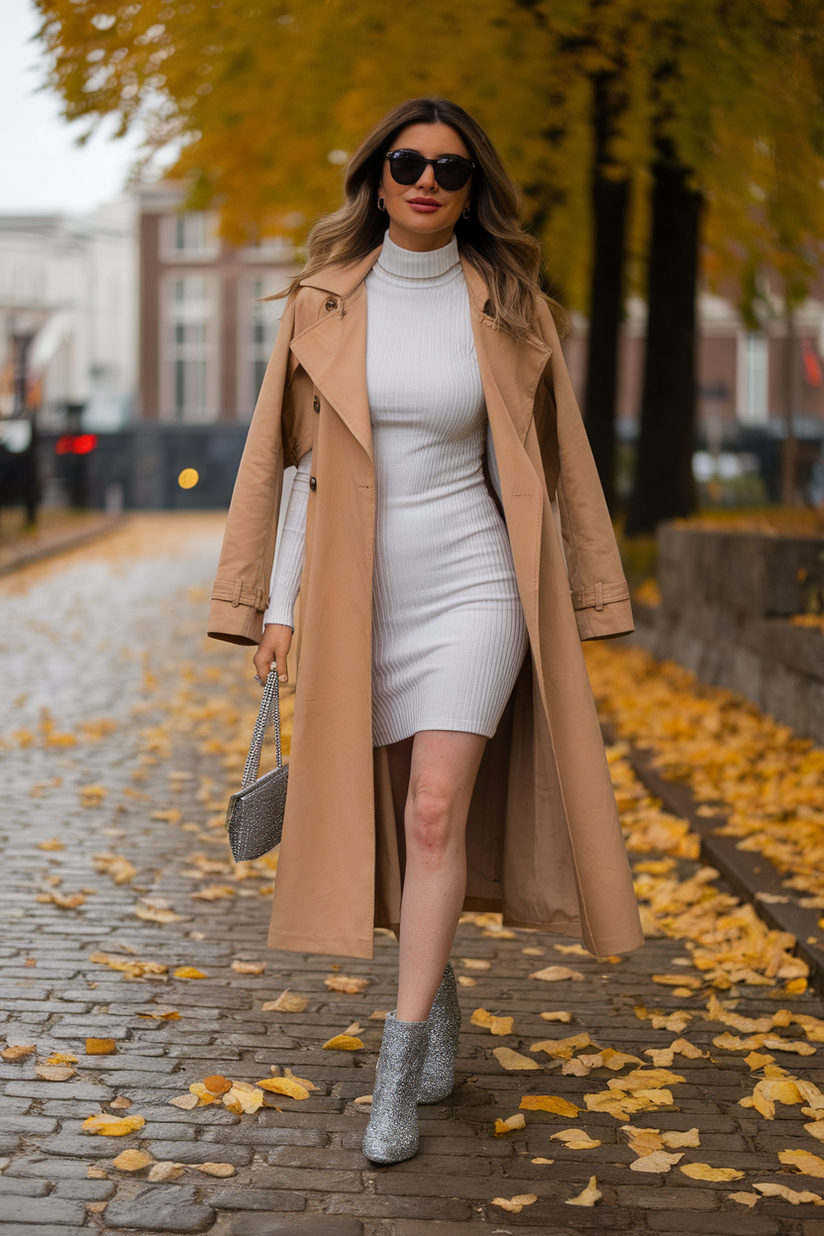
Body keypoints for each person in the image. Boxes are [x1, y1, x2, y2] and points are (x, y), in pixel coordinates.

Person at [207, 96, 643, 1166]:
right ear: (376, 177)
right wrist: (272, 608)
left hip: (472, 583)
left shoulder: (506, 303)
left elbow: (560, 460)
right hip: (359, 596)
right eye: (407, 162)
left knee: (436, 812)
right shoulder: (321, 302)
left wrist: (586, 593)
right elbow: (296, 470)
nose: (426, 182)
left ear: (471, 189)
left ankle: (394, 1073)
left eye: (450, 170)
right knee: (403, 820)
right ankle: (435, 993)